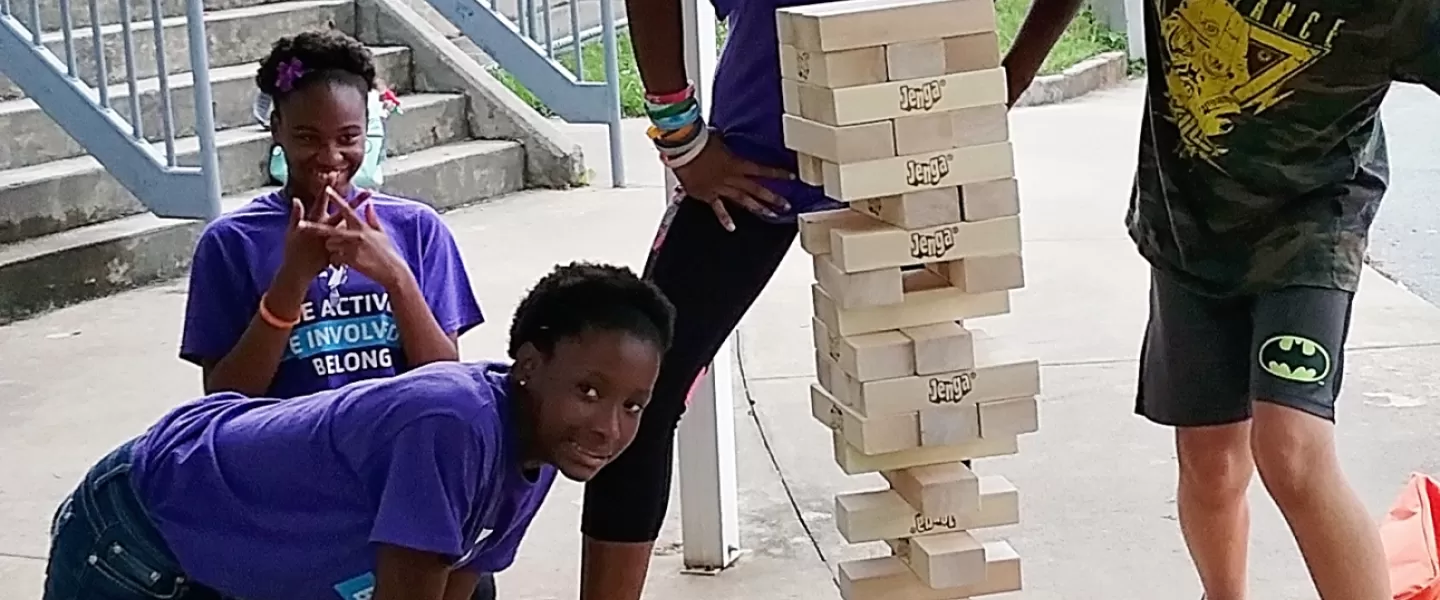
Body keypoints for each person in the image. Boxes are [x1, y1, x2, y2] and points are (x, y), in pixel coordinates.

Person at [582, 0, 1084, 596]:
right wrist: (681, 136)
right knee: (642, 393)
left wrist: (1010, 77)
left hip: (905, 163)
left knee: (926, 402)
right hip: (753, 167)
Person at [1050, 0, 1435, 598]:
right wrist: (1013, 73)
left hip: (1312, 221)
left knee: (1291, 449)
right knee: (1210, 463)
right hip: (1190, 218)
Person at [42, 262, 677, 600]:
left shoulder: (540, 450)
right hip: (137, 524)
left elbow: (458, 583)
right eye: (590, 392)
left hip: (218, 545)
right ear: (530, 367)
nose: (607, 428)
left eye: (633, 406)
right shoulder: (453, 425)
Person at [180, 29, 484, 400]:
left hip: (395, 449)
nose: (330, 156)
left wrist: (396, 277)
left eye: (348, 138)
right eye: (307, 137)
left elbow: (447, 383)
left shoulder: (418, 228)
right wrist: (292, 280)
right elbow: (224, 398)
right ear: (277, 128)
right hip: (287, 450)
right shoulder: (231, 241)